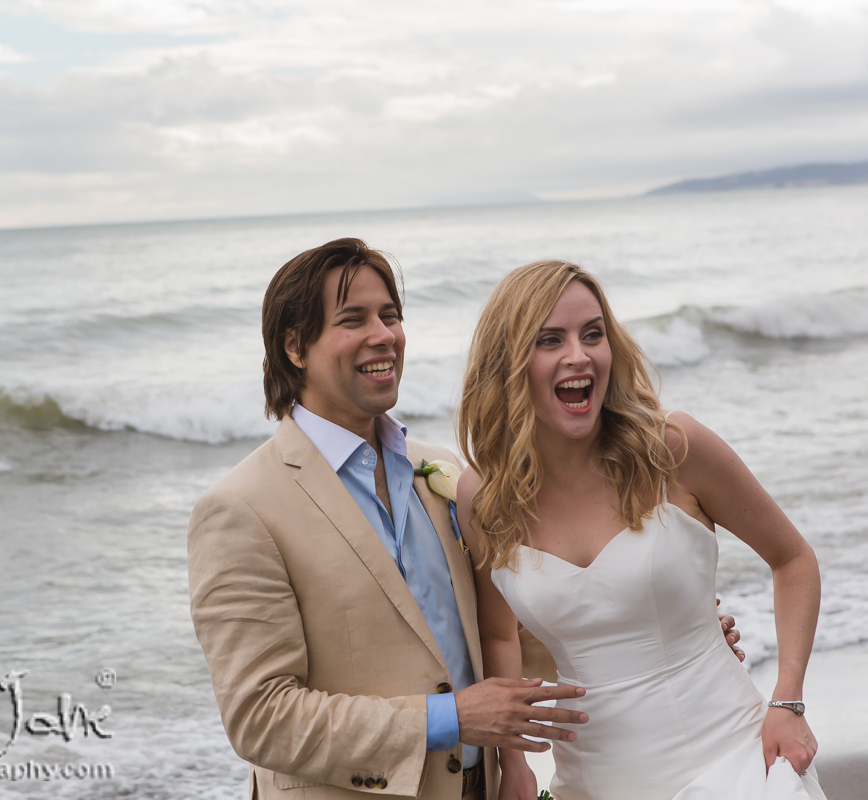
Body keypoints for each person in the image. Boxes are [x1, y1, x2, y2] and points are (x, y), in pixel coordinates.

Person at [188, 239, 744, 800]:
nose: (383, 335)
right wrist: (448, 719)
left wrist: (663, 633)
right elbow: (261, 717)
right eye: (352, 320)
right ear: (294, 348)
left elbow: (492, 634)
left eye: (391, 316)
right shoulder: (241, 509)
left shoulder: (446, 474)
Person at [456, 260, 827, 800]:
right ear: (508, 365)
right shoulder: (484, 495)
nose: (578, 356)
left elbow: (792, 559)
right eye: (549, 340)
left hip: (734, 761)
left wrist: (788, 700)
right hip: (591, 782)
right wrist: (513, 763)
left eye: (592, 335)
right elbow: (499, 635)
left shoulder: (674, 448)